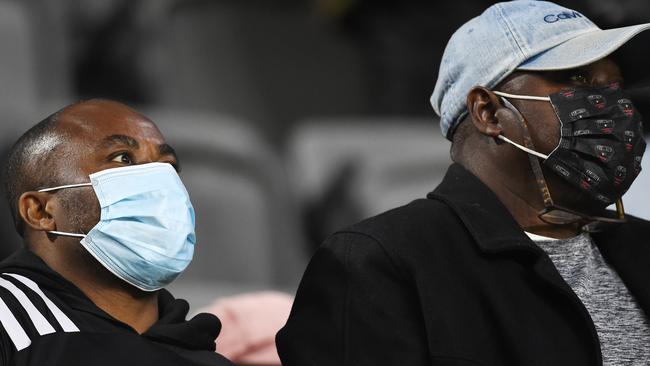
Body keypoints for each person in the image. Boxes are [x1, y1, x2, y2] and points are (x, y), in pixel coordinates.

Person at [277, 1, 650, 365]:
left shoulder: (642, 245)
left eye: (615, 86)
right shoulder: (380, 263)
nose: (612, 104)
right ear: (488, 112)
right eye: (579, 78)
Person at [0, 100, 233, 365]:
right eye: (123, 158)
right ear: (41, 211)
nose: (160, 183)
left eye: (167, 165)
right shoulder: (10, 320)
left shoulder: (209, 357)